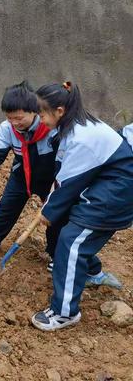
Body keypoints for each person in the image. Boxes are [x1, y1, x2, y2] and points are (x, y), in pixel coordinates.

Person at [31, 82, 133, 331]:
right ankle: (90, 273)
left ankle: (64, 312)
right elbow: (63, 175)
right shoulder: (71, 129)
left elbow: (68, 184)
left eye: (42, 113)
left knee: (72, 241)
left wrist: (48, 210)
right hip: (106, 184)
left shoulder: (82, 138)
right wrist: (51, 206)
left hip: (117, 193)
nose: (40, 119)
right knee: (70, 230)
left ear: (60, 111)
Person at [0, 81, 59, 265]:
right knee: (5, 209)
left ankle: (57, 254)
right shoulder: (7, 129)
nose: (15, 123)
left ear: (34, 111)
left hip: (52, 178)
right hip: (22, 175)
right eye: (10, 118)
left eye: (19, 118)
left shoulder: (50, 127)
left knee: (56, 215)